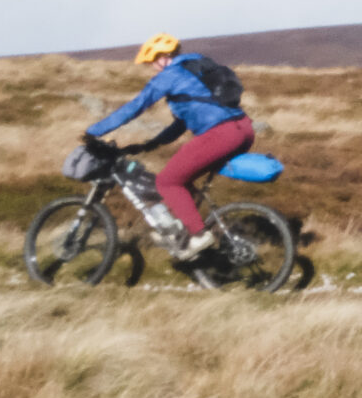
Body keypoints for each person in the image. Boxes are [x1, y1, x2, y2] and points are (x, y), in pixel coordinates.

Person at [83, 33, 252, 259]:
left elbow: (135, 107)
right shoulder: (195, 69)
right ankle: (184, 230)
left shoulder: (170, 75)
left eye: (152, 60)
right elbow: (182, 123)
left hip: (220, 134)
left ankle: (198, 235)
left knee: (167, 182)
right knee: (182, 178)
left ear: (163, 57)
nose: (152, 66)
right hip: (243, 129)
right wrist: (152, 144)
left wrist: (94, 131)